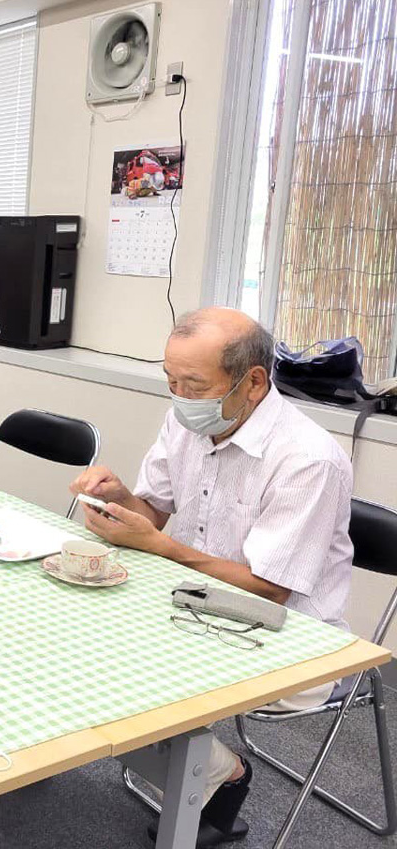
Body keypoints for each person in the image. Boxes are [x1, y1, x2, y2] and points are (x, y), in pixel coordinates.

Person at [70, 307, 354, 847]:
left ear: (252, 382)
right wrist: (119, 500)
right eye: (171, 381)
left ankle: (214, 772)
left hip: (284, 635)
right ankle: (206, 768)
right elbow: (153, 512)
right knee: (73, 633)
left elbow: (272, 589)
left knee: (114, 666)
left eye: (194, 385)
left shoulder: (306, 459)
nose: (179, 397)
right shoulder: (191, 418)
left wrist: (160, 546)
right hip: (195, 600)